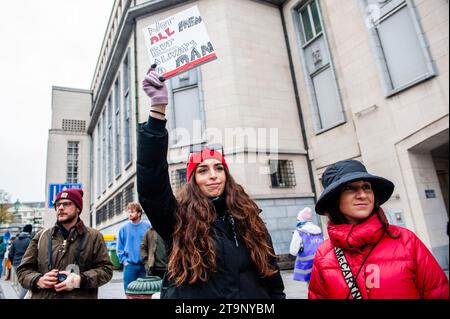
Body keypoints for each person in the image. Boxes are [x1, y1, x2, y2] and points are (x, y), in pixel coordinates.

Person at [136, 65, 285, 299]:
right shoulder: (177, 219)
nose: (213, 175)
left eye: (218, 168)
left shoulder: (249, 216)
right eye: (203, 170)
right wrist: (157, 110)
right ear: (193, 181)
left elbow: (272, 278)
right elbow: (151, 184)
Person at [308, 159, 449, 299]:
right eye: (349, 188)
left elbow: (438, 292)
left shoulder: (406, 241)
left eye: (366, 187)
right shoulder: (324, 254)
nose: (362, 195)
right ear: (334, 199)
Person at [16, 188, 113, 299]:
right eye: (58, 205)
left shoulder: (93, 236)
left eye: (66, 204)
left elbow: (106, 270)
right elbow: (23, 270)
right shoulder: (41, 236)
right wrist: (37, 280)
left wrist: (81, 280)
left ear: (78, 208)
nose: (61, 208)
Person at [117, 202, 151, 292]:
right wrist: (124, 261)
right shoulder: (123, 228)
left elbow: (152, 244)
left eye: (132, 211)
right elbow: (119, 248)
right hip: (130, 266)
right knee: (129, 292)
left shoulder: (148, 226)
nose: (130, 214)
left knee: (144, 293)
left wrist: (149, 261)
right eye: (128, 212)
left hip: (144, 266)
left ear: (139, 213)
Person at [289, 207, 323, 286]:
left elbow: (293, 251)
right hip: (320, 262)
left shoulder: (299, 231)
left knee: (312, 287)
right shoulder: (318, 230)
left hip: (306, 266)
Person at [8, 224, 33, 298]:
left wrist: (13, 262)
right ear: (30, 231)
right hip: (24, 265)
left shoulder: (16, 240)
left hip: (15, 264)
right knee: (25, 283)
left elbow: (10, 254)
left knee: (21, 282)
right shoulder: (29, 240)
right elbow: (32, 254)